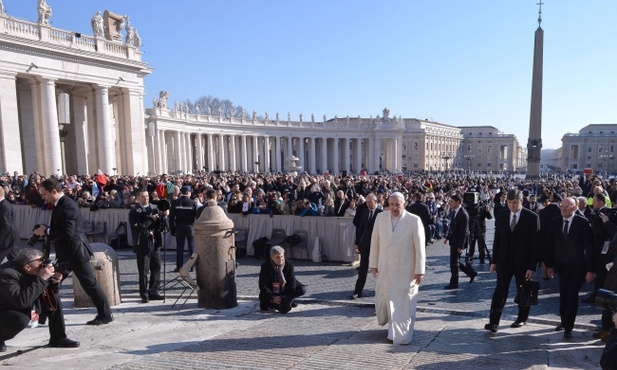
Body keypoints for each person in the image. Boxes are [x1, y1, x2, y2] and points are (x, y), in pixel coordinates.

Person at [33, 178, 113, 326]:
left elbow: (68, 232)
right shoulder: (60, 204)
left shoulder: (67, 205)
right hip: (67, 253)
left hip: (75, 253)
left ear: (54, 191)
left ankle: (105, 314)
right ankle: (44, 314)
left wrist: (46, 230)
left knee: (89, 284)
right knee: (51, 283)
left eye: (44, 194)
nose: (43, 197)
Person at [369, 192, 426, 345]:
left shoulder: (414, 220)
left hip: (406, 270)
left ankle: (402, 335)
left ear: (404, 205)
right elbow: (375, 242)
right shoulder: (381, 218)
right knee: (388, 299)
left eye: (397, 205)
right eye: (392, 204)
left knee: (404, 303)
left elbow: (420, 247)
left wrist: (420, 270)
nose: (394, 207)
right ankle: (391, 332)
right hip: (385, 267)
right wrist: (373, 264)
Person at [0, 248, 80, 352]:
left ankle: (58, 337)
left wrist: (55, 283)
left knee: (53, 299)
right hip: (6, 309)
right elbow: (21, 301)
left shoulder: (32, 270)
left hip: (21, 303)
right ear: (27, 267)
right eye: (40, 261)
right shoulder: (7, 274)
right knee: (20, 319)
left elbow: (48, 291)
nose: (44, 264)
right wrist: (42, 278)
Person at [485, 189, 540, 333]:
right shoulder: (502, 215)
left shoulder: (532, 217)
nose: (512, 206)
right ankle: (493, 321)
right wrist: (493, 261)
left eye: (515, 203)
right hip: (504, 261)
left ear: (521, 201)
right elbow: (497, 240)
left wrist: (532, 266)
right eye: (509, 203)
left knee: (523, 290)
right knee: (500, 291)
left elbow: (536, 245)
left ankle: (522, 318)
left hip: (523, 262)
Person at [545, 197, 594, 340]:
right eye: (562, 206)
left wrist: (591, 270)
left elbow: (589, 249)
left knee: (572, 296)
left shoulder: (582, 223)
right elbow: (550, 245)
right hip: (561, 266)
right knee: (563, 294)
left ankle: (568, 328)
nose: (564, 209)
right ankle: (563, 321)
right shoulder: (555, 222)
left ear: (574, 207)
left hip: (578, 267)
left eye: (567, 207)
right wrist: (549, 265)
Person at [129, 189, 167, 303]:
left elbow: (163, 226)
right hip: (142, 243)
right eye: (143, 196)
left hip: (155, 242)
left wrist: (164, 218)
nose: (146, 198)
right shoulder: (134, 210)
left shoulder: (155, 208)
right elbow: (138, 227)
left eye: (147, 196)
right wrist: (150, 219)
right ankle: (144, 293)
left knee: (156, 267)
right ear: (138, 198)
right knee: (144, 271)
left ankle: (153, 291)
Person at [351, 193, 382, 299]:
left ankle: (381, 293)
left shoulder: (381, 214)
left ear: (375, 202)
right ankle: (357, 291)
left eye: (370, 202)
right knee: (363, 269)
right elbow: (361, 229)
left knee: (380, 270)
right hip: (365, 244)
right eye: (367, 202)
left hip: (378, 246)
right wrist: (357, 242)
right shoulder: (364, 212)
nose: (368, 204)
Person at [258, 246, 305, 313]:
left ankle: (288, 301)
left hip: (284, 289)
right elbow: (263, 285)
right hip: (272, 291)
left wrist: (288, 297)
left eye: (282, 256)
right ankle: (274, 303)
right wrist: (272, 297)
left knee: (301, 289)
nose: (281, 259)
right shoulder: (266, 266)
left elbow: (291, 281)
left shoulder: (288, 264)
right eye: (277, 257)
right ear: (272, 257)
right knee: (282, 308)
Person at [444, 194, 477, 289]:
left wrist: (460, 246)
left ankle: (454, 282)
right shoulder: (455, 212)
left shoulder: (463, 214)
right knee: (455, 262)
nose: (450, 203)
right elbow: (453, 227)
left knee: (454, 263)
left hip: (458, 242)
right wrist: (448, 237)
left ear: (458, 202)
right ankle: (471, 273)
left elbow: (464, 232)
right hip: (453, 240)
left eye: (452, 202)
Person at [169, 186, 197, 272]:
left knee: (180, 248)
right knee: (191, 247)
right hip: (190, 226)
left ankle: (179, 266)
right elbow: (196, 216)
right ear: (188, 193)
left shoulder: (175, 202)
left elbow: (171, 217)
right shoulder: (193, 203)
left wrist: (172, 228)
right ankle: (191, 266)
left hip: (179, 226)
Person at [0, 187, 19, 263]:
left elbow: (5, 226)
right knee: (16, 259)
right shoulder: (3, 204)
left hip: (7, 239)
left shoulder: (4, 206)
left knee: (17, 260)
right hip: (9, 239)